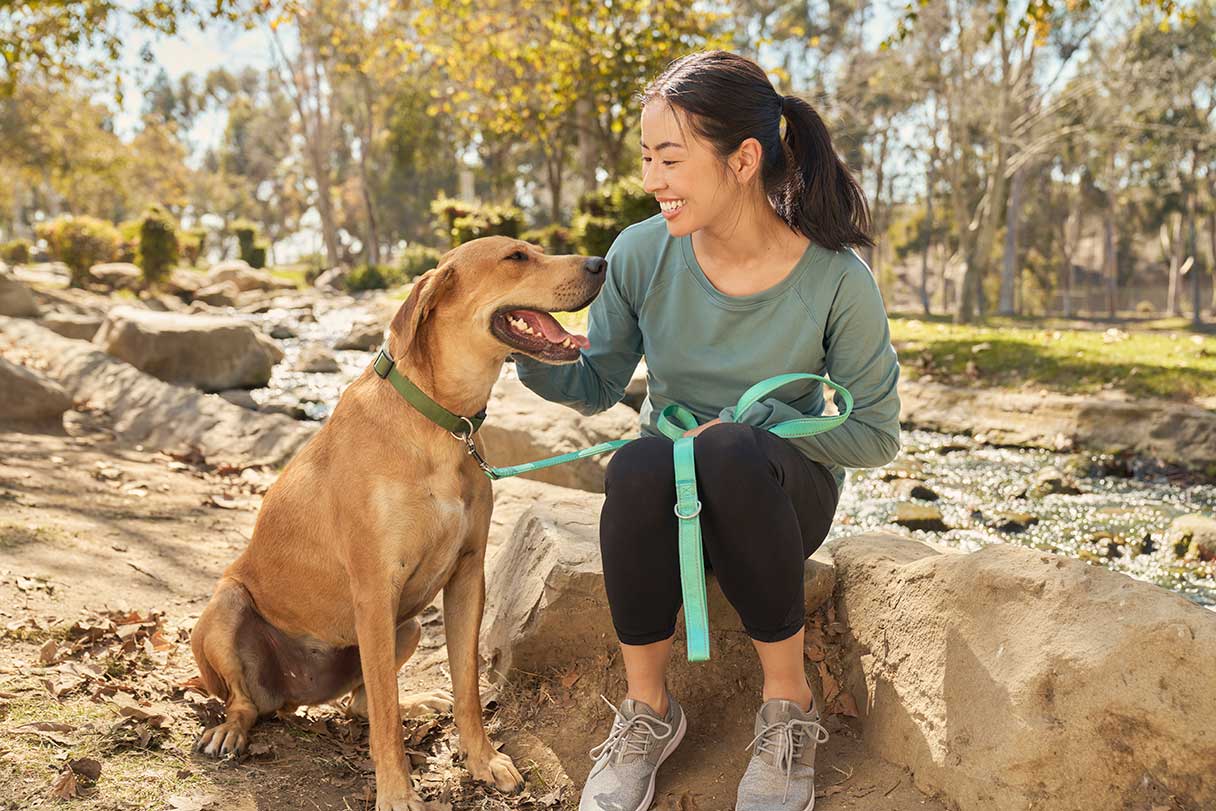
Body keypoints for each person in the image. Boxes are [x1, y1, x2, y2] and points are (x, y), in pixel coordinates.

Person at [514, 49, 901, 811]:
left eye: (670, 158)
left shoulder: (836, 280)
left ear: (743, 159)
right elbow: (596, 384)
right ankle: (648, 713)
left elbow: (877, 436)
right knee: (638, 462)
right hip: (666, 494)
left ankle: (788, 708)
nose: (651, 179)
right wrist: (533, 345)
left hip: (782, 498)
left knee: (725, 449)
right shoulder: (640, 253)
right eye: (647, 159)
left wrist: (759, 430)